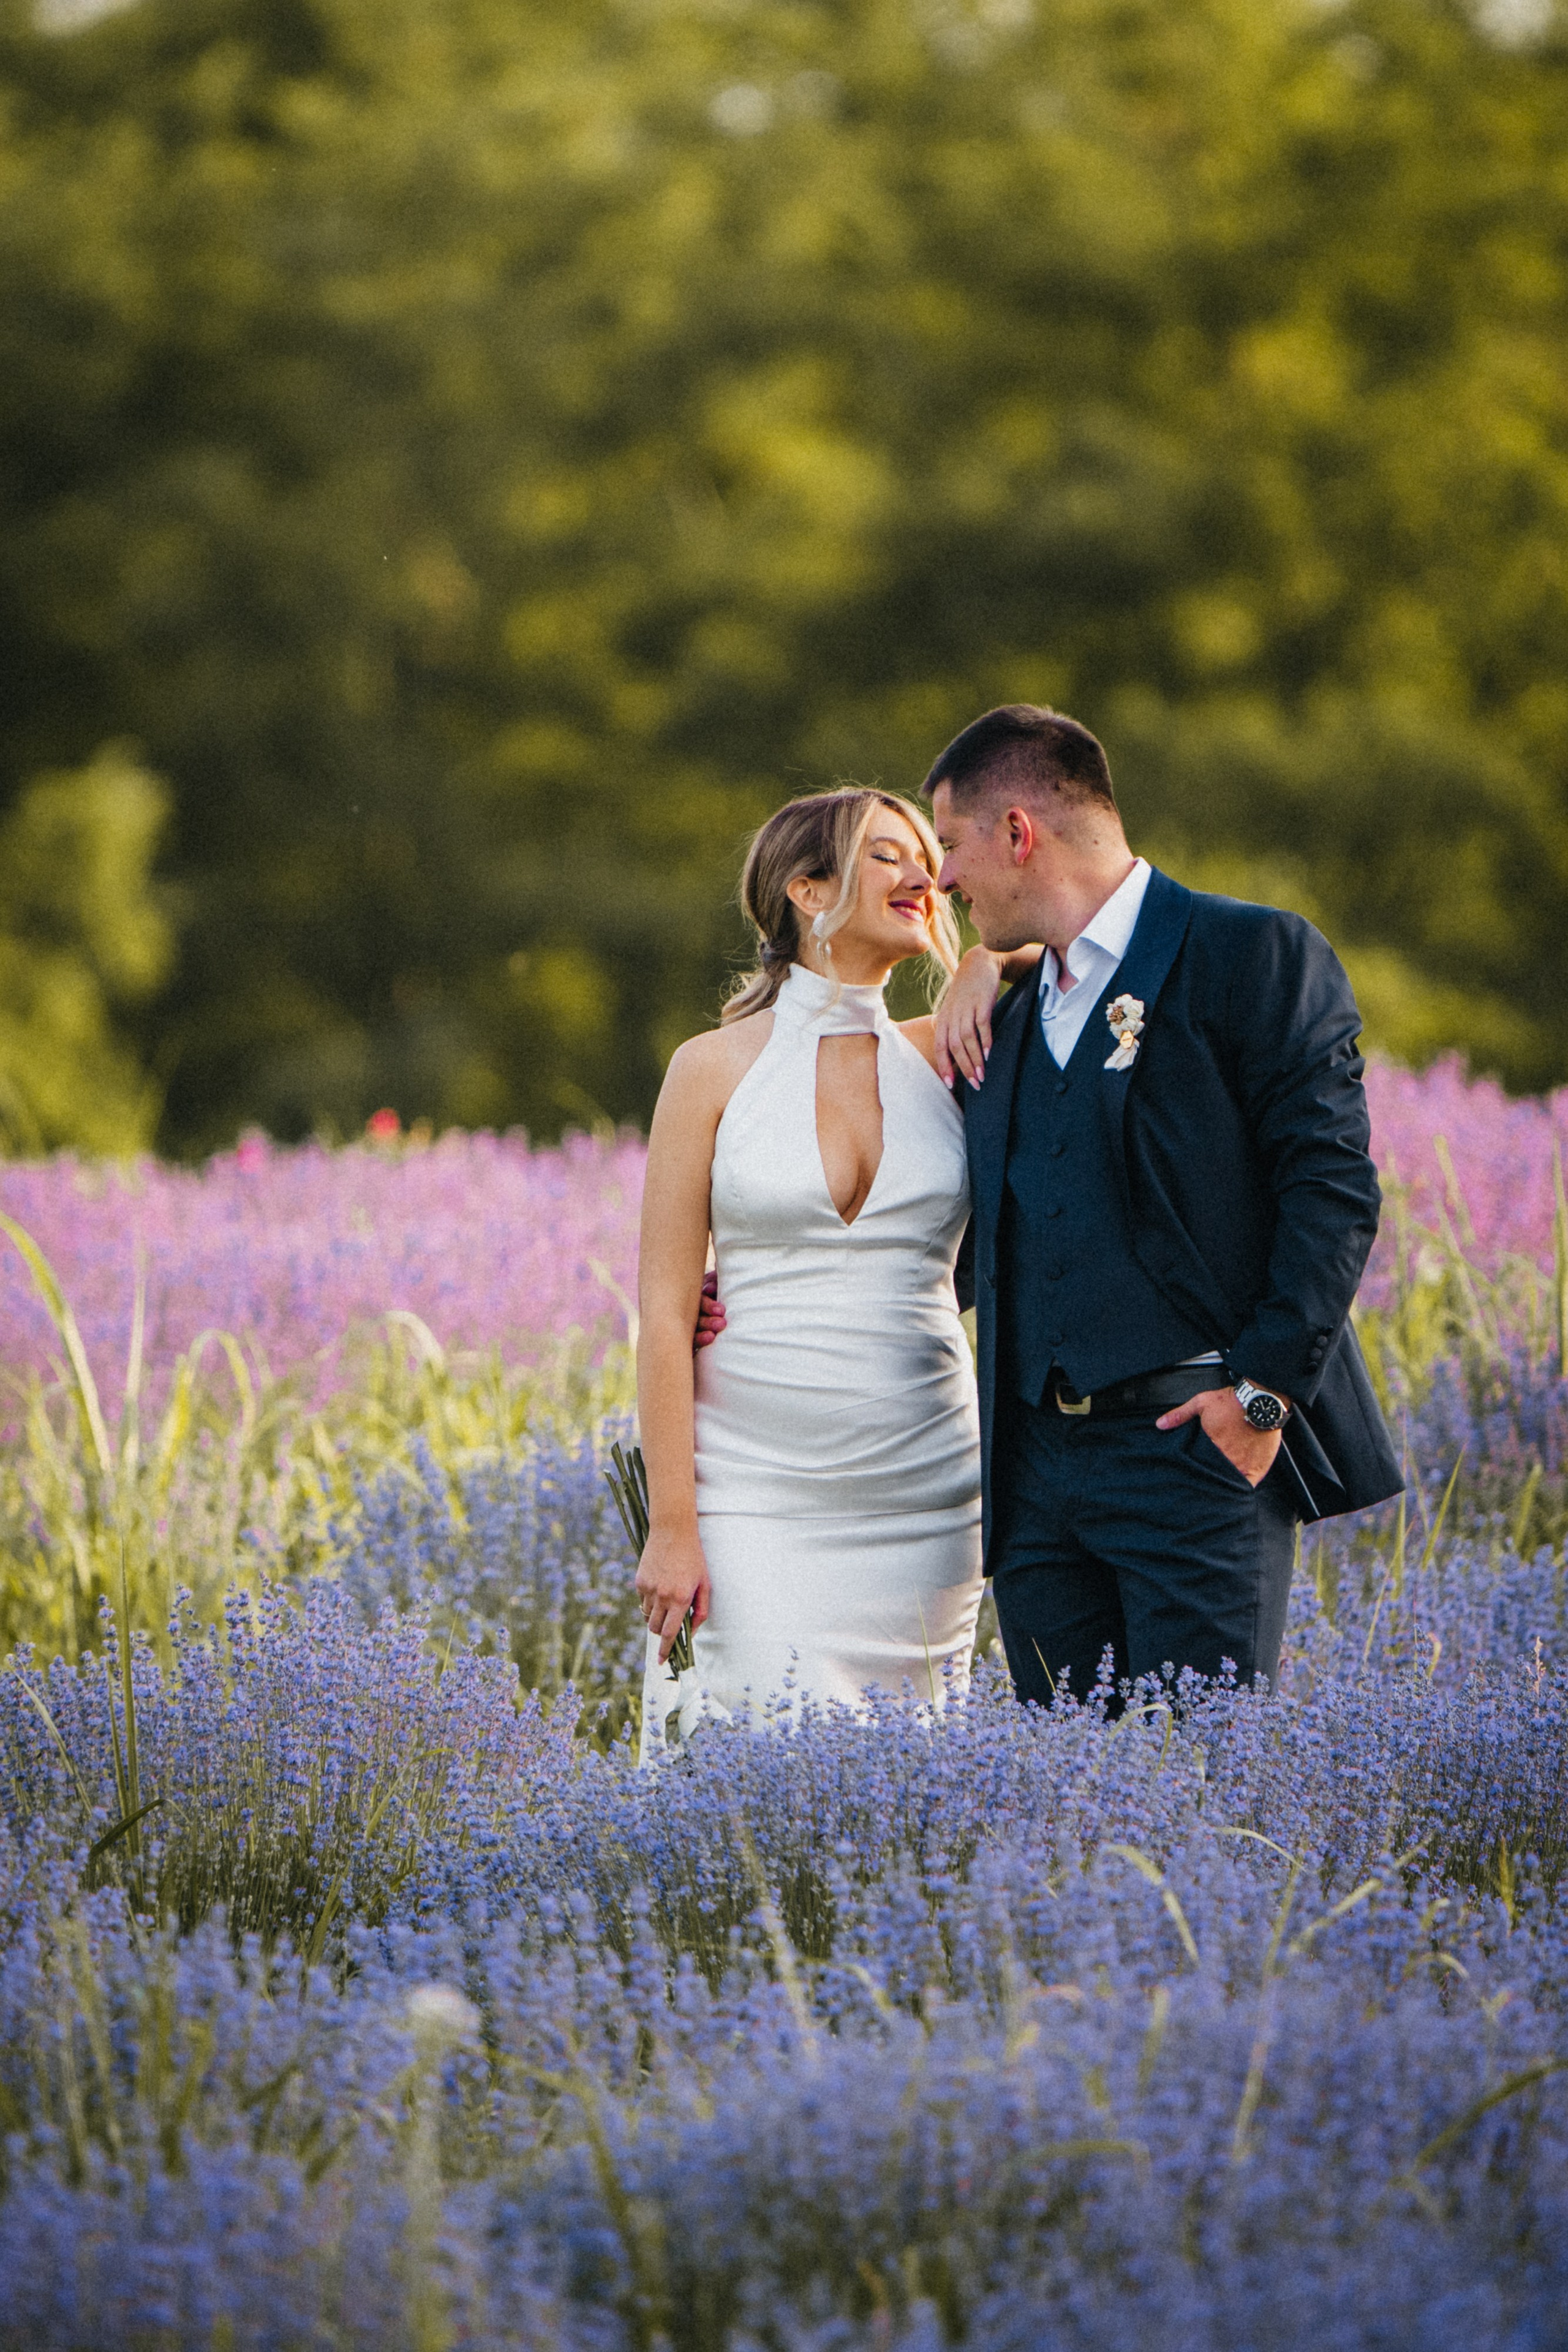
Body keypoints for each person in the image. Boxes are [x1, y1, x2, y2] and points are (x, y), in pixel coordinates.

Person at [919, 703, 1403, 1707]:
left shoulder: (1252, 956)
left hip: (1197, 1455)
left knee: (1205, 1790)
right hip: (1037, 1482)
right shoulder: (1001, 1019)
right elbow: (985, 1234)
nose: (942, 882)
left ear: (1019, 832)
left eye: (951, 846)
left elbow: (1333, 1189)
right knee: (1063, 1814)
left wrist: (1263, 1396)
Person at [634, 788, 984, 1754]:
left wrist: (992, 960)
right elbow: (664, 1315)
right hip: (755, 1495)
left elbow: (1079, 945)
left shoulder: (948, 1053)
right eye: (888, 856)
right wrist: (673, 1525)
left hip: (928, 1496)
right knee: (731, 1783)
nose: (928, 876)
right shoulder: (709, 1070)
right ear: (806, 887)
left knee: (916, 1801)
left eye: (929, 856)